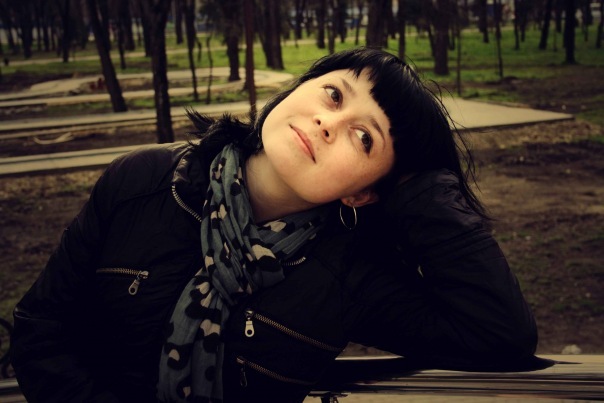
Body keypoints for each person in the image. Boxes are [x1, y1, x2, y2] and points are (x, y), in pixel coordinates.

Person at [11, 48, 537, 403]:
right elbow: (40, 330)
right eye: (334, 95)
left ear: (363, 193)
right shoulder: (145, 182)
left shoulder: (350, 274)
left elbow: (498, 335)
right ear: (300, 88)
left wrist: (425, 192)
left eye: (364, 138)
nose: (329, 123)